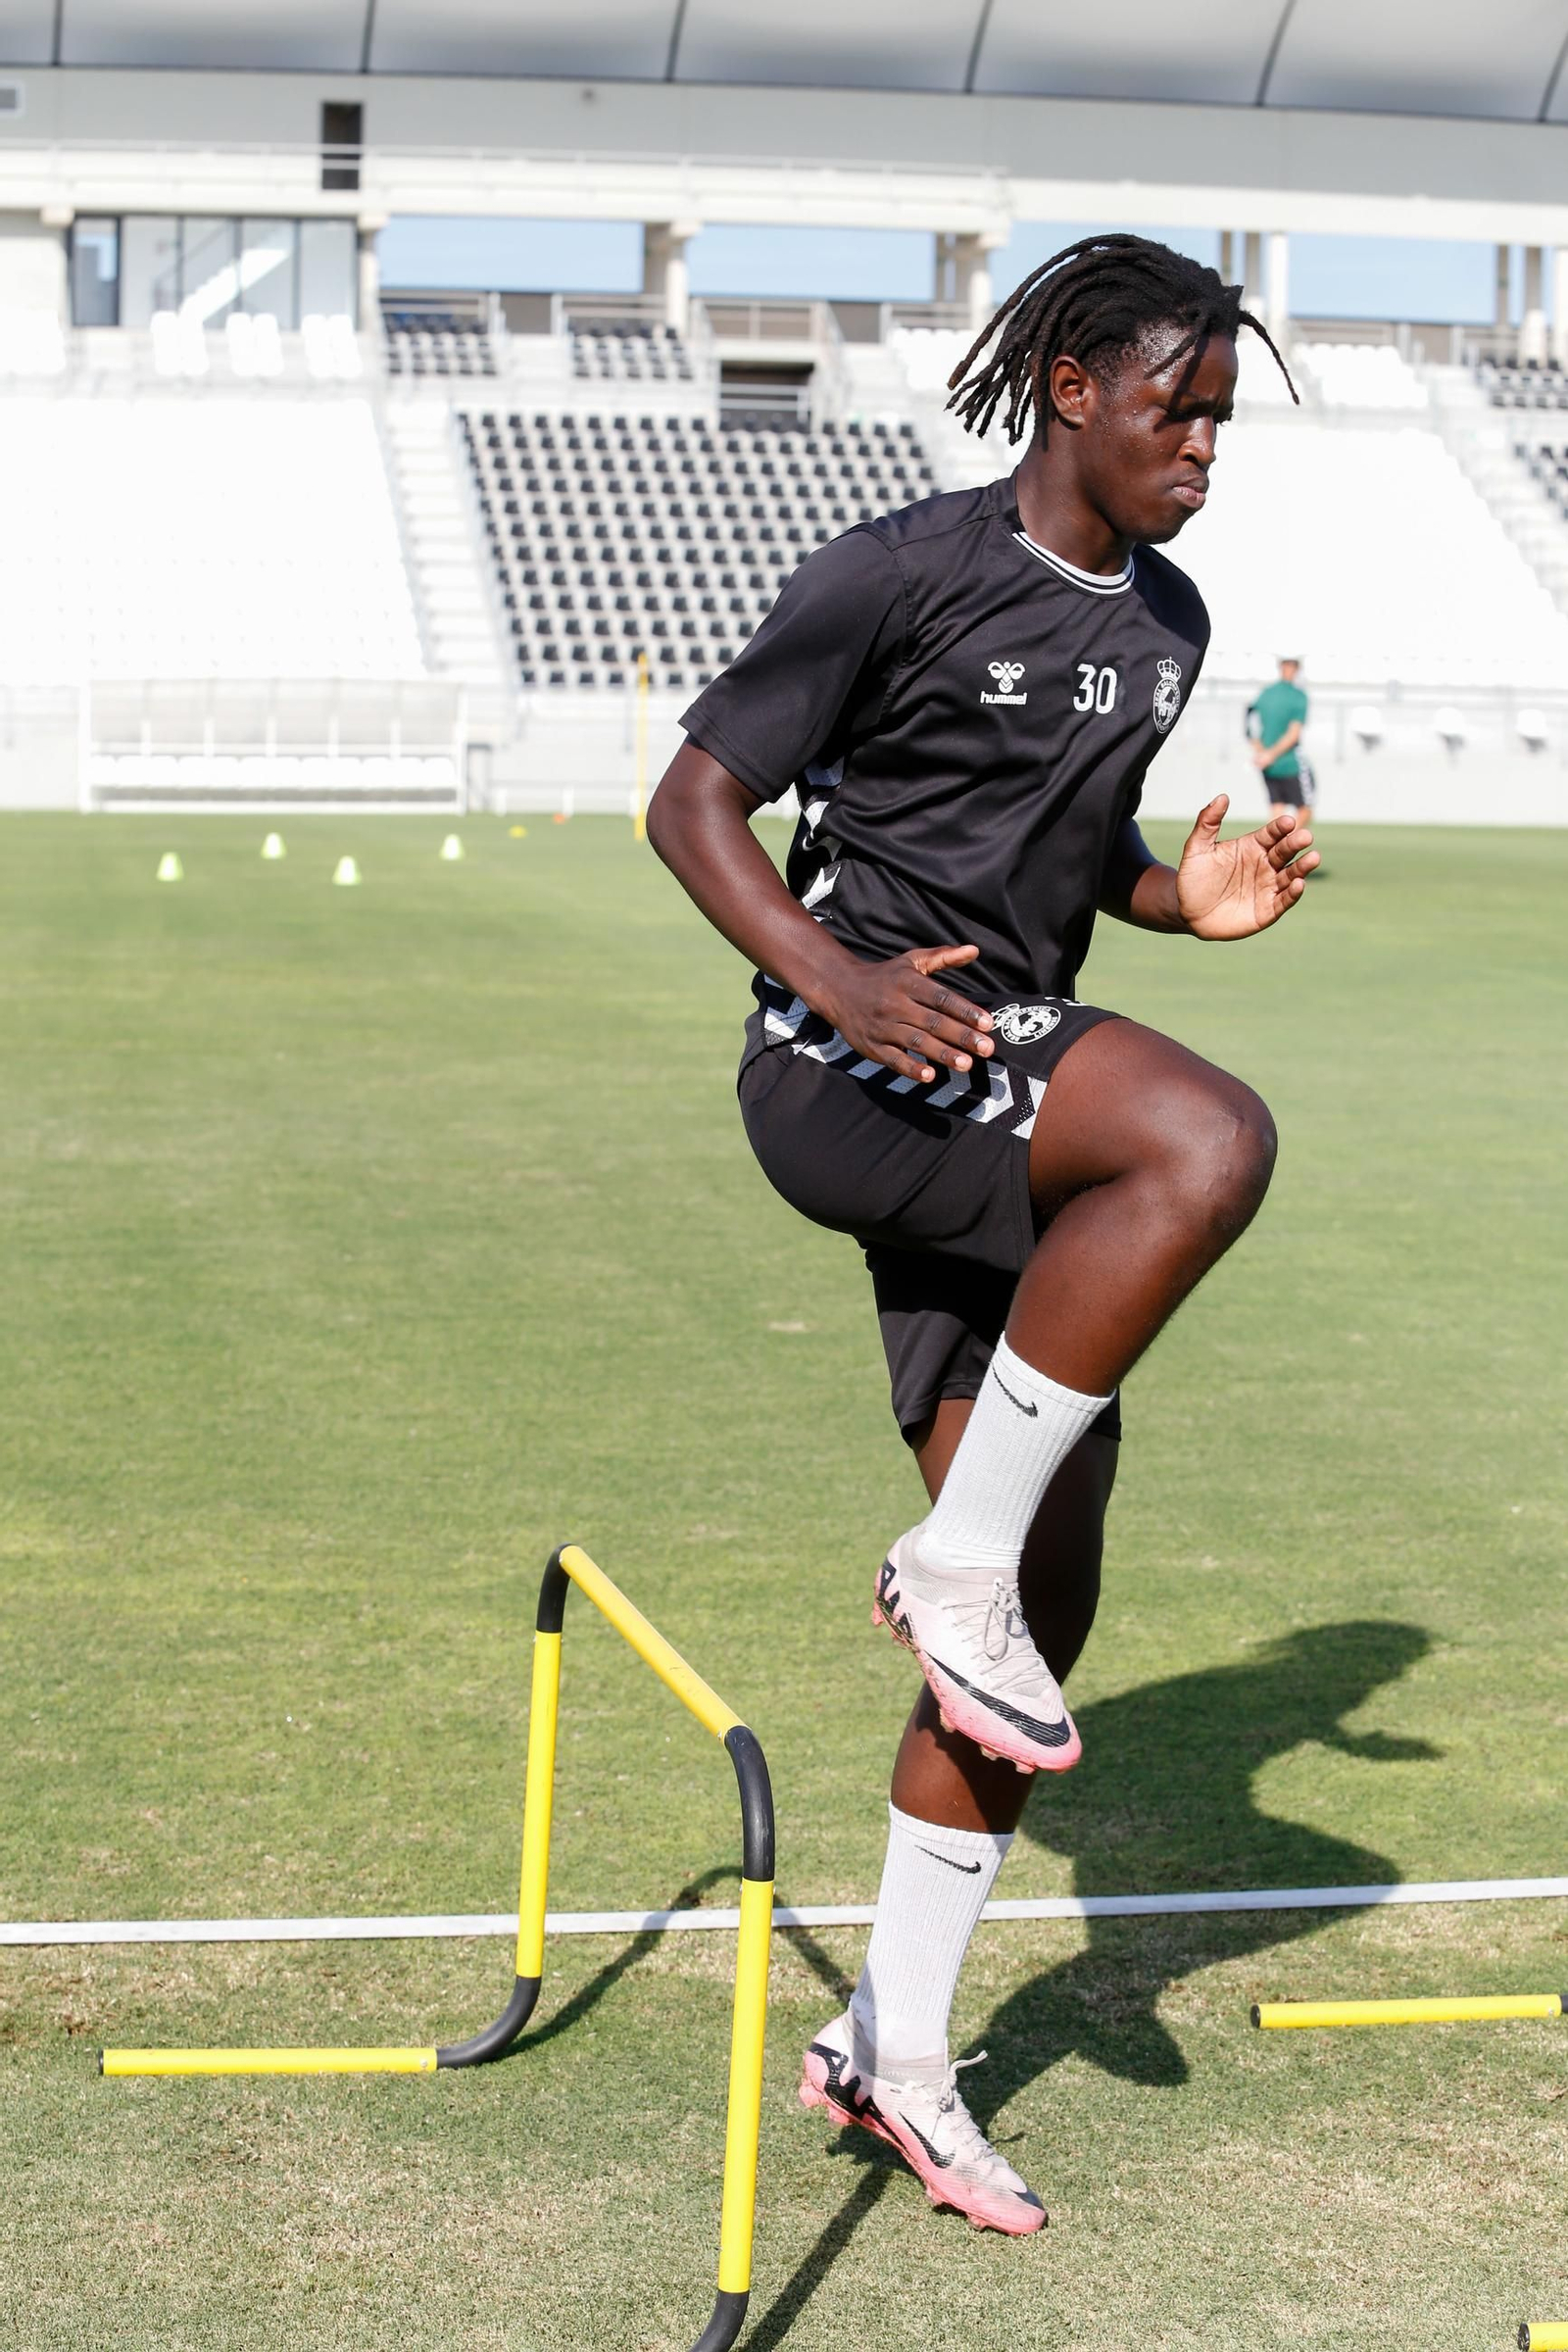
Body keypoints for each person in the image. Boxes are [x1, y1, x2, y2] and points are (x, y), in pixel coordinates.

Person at [647, 234, 1317, 2237]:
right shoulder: (893, 569)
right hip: (849, 1066)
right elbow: (691, 805)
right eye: (1173, 408)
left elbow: (1049, 860)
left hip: (996, 1075)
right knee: (1199, 1140)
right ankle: (942, 1560)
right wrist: (827, 983)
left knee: (1036, 1628)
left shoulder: (1170, 619)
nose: (1202, 445)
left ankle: (893, 2057)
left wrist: (1172, 896)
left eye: (1218, 415)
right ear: (1068, 394)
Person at [1250, 656, 1313, 822]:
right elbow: (1293, 734)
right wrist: (1271, 755)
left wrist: (1261, 753)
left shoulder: (1265, 694)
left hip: (1267, 764)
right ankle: (1286, 847)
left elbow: (1249, 726)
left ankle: (1272, 847)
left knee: (1276, 810)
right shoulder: (1298, 696)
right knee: (1305, 810)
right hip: (1289, 762)